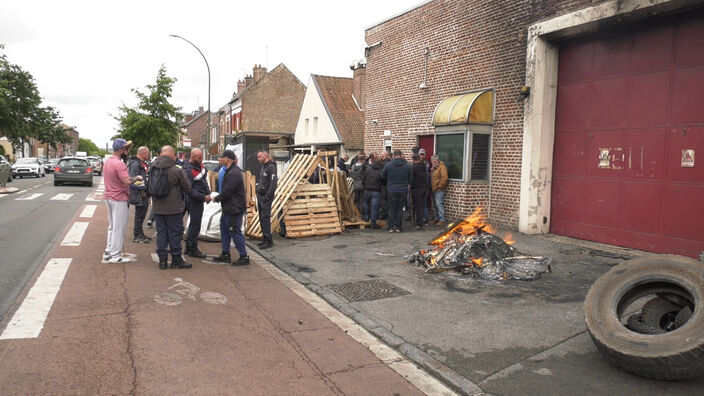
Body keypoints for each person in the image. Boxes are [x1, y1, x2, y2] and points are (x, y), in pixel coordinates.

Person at [151, 146, 192, 270]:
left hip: (158, 208)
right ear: (171, 155)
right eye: (175, 154)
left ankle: (162, 261)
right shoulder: (176, 170)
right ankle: (176, 260)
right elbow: (187, 187)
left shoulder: (153, 168)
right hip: (174, 208)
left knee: (161, 233)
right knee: (174, 233)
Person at [103, 138, 140, 263]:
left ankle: (109, 250)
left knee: (112, 226)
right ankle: (115, 255)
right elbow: (127, 181)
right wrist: (137, 178)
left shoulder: (108, 161)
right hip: (119, 198)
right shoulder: (119, 164)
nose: (128, 151)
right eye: (126, 148)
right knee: (119, 227)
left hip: (109, 197)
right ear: (120, 150)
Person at [213, 150, 249, 265]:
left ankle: (244, 256)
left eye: (221, 158)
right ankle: (225, 253)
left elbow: (228, 191)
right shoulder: (230, 171)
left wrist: (215, 198)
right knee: (224, 230)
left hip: (234, 208)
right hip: (229, 207)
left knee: (234, 230)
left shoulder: (234, 173)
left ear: (227, 159)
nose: (220, 160)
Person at [183, 148, 212, 258]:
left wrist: (208, 193)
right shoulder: (188, 170)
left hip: (199, 197)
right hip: (193, 199)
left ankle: (189, 246)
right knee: (195, 225)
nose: (201, 160)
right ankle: (192, 248)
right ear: (192, 157)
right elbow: (188, 189)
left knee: (195, 224)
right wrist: (203, 197)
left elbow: (204, 182)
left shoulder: (200, 166)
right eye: (199, 158)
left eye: (202, 157)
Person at [381, 149, 412, 233]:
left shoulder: (388, 165)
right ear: (401, 155)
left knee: (391, 209)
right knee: (399, 209)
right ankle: (398, 227)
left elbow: (383, 176)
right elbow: (411, 178)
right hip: (402, 190)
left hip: (391, 189)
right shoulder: (407, 165)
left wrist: (386, 184)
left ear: (394, 155)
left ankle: (390, 227)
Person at [128, 146, 151, 244]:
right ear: (143, 153)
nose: (148, 155)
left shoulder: (141, 163)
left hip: (143, 193)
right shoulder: (135, 164)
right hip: (140, 194)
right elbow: (133, 179)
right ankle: (137, 235)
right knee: (140, 215)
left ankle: (140, 233)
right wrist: (144, 188)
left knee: (142, 214)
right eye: (148, 153)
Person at [256, 150, 277, 249]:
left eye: (259, 157)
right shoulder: (264, 167)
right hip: (260, 196)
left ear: (265, 156)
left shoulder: (271, 167)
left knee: (265, 217)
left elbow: (273, 184)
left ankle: (269, 240)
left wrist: (267, 196)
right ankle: (265, 238)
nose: (258, 159)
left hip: (265, 197)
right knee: (261, 217)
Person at [361, 153, 383, 229]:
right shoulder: (381, 171)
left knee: (366, 204)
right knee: (374, 207)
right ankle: (373, 223)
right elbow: (383, 181)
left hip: (367, 190)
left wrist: (365, 186)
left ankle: (366, 218)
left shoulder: (368, 169)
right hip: (376, 191)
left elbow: (363, 179)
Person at [411, 153, 429, 230]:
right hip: (424, 188)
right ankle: (423, 220)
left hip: (417, 189)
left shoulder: (414, 167)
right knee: (422, 206)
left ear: (414, 160)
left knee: (418, 206)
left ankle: (419, 223)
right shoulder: (424, 166)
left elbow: (411, 178)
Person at [431, 154, 448, 226]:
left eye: (435, 161)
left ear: (438, 161)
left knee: (439, 204)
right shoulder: (434, 168)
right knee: (435, 205)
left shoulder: (442, 167)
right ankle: (436, 218)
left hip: (439, 190)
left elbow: (444, 178)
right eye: (433, 161)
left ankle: (442, 219)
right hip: (434, 189)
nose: (434, 163)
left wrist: (439, 187)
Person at [418, 148, 431, 225]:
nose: (422, 156)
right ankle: (423, 218)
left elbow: (426, 173)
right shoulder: (421, 163)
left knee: (424, 204)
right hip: (422, 186)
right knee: (422, 203)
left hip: (425, 186)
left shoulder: (426, 163)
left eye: (423, 154)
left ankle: (425, 219)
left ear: (425, 155)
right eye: (421, 154)